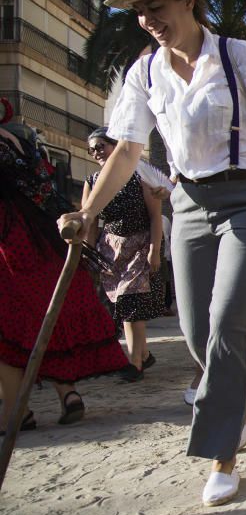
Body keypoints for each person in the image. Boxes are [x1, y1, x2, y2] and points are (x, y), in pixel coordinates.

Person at [59, 0, 246, 507]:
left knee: (228, 321)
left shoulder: (237, 55)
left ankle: (221, 453)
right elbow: (128, 151)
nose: (148, 18)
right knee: (194, 330)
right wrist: (87, 213)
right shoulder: (143, 72)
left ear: (187, 0)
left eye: (156, 6)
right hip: (190, 201)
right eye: (138, 11)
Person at [1, 121, 128, 433]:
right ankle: (67, 394)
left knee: (9, 327)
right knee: (47, 319)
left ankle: (16, 412)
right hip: (45, 235)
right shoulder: (21, 137)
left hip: (11, 240)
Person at [83, 128, 163, 381]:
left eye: (101, 146)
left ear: (115, 146)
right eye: (92, 149)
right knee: (122, 303)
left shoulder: (140, 176)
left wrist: (155, 250)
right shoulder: (92, 182)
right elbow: (90, 220)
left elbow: (154, 216)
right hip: (109, 250)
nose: (96, 152)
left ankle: (135, 361)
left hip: (139, 243)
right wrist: (87, 253)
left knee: (129, 299)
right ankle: (144, 354)